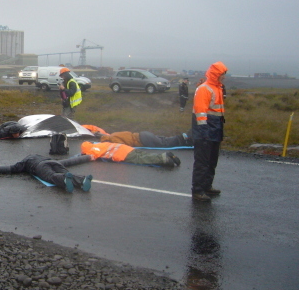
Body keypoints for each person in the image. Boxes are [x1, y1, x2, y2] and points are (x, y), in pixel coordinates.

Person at [191, 62, 228, 201]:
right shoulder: (204, 89)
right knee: (202, 162)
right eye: (222, 75)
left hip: (215, 130)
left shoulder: (217, 88)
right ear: (216, 74)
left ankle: (207, 186)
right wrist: (204, 133)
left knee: (212, 161)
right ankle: (198, 190)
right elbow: (200, 113)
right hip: (205, 131)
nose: (224, 77)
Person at [10, 154, 93, 193]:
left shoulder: (26, 160)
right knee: (66, 173)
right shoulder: (40, 155)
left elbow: (15, 168)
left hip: (40, 166)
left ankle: (63, 179)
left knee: (51, 176)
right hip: (54, 162)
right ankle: (82, 179)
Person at [80, 141, 181, 168]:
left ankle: (163, 158)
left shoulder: (93, 150)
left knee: (143, 159)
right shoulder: (100, 144)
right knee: (143, 154)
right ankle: (168, 155)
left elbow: (95, 156)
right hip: (126, 148)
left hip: (123, 155)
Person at [85, 126, 192, 148]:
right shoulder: (114, 134)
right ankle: (185, 138)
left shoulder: (113, 139)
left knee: (165, 144)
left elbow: (121, 147)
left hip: (142, 140)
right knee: (164, 140)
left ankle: (183, 138)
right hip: (143, 134)